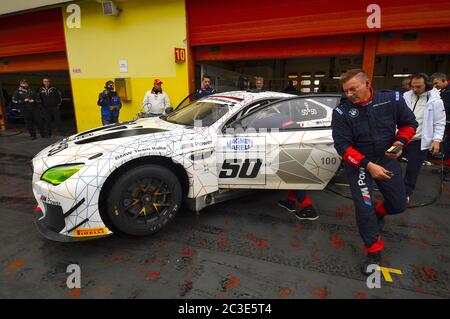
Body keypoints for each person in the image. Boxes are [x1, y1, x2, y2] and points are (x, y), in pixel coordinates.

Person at [331, 69, 418, 275]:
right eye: (346, 90)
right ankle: (373, 251)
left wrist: (399, 142)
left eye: (354, 89)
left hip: (386, 160)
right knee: (364, 209)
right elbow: (342, 147)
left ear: (368, 84)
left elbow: (409, 124)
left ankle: (379, 212)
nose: (350, 94)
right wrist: (367, 166)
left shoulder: (391, 99)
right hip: (360, 165)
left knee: (398, 204)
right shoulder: (341, 112)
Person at [403, 73, 445, 200]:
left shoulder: (435, 101)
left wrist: (436, 140)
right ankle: (393, 188)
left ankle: (406, 193)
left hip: (419, 140)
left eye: (419, 87)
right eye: (413, 86)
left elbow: (439, 122)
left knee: (413, 168)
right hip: (402, 137)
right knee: (389, 162)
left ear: (427, 85)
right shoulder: (406, 96)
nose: (415, 90)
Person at [431, 72, 450, 167]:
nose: (435, 86)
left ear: (444, 81)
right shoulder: (443, 90)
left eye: (436, 83)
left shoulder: (447, 91)